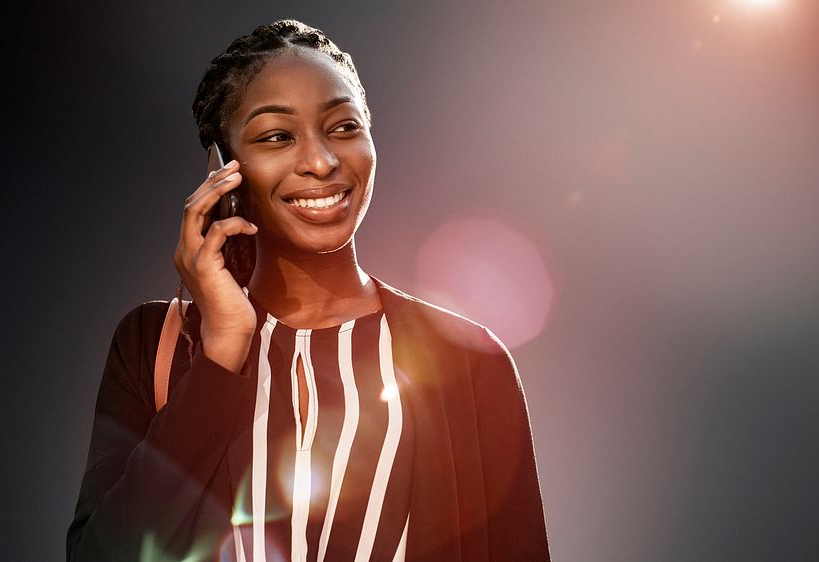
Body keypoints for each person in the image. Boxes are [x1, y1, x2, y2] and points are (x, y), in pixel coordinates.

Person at [67, 19, 549, 561]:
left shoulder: (468, 359)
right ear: (223, 169)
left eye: (343, 127)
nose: (321, 161)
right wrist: (222, 350)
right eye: (277, 136)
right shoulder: (153, 342)